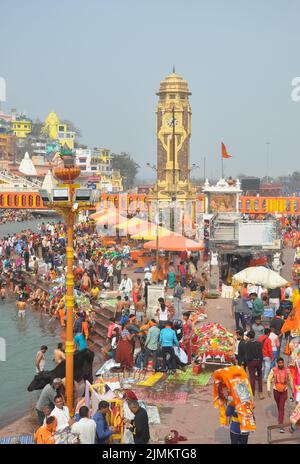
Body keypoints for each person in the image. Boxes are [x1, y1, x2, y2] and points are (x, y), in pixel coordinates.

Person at [267, 357, 294, 433]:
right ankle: (280, 417)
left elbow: (290, 380)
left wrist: (292, 390)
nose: (281, 364)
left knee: (281, 407)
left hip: (284, 391)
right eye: (279, 363)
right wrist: (268, 389)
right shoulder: (273, 370)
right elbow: (269, 379)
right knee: (279, 406)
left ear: (283, 363)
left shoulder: (287, 371)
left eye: (282, 363)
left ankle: (281, 426)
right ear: (277, 363)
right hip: (276, 391)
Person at [245, 330, 264, 399]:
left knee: (252, 377)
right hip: (259, 361)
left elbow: (247, 355)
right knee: (259, 376)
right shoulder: (259, 343)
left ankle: (252, 393)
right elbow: (261, 353)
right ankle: (260, 392)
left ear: (249, 337)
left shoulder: (247, 344)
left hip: (251, 362)